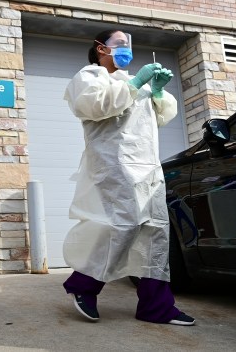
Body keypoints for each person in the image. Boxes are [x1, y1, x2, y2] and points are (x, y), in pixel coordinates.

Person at [61, 29, 195, 326]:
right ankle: (82, 285)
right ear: (100, 49)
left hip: (147, 166)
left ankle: (156, 306)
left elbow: (160, 118)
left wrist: (157, 92)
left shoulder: (135, 83)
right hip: (115, 164)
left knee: (155, 232)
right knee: (123, 225)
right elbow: (95, 106)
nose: (126, 49)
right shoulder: (90, 76)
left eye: (128, 45)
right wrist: (136, 83)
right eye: (119, 44)